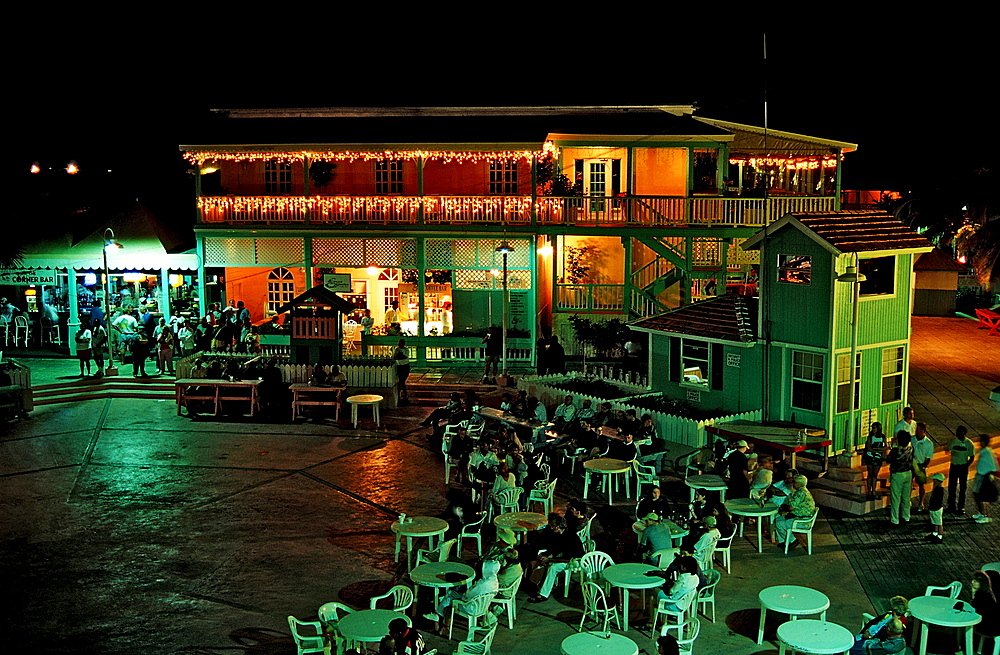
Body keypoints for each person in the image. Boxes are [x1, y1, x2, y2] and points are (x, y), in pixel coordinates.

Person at [524, 513, 585, 603]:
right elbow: (557, 548)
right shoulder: (561, 534)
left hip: (576, 560)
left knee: (553, 568)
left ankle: (544, 594)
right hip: (566, 557)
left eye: (552, 526)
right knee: (542, 559)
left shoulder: (570, 538)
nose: (551, 528)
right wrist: (547, 554)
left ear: (557, 527)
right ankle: (534, 582)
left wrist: (549, 559)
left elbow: (566, 559)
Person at [424, 559, 500, 628]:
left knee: (450, 594)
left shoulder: (482, 584)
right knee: (455, 593)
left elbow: (466, 596)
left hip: (471, 607)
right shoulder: (494, 581)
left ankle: (438, 614)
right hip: (483, 606)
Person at [774, 474, 815, 548]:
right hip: (802, 516)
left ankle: (792, 540)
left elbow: (790, 508)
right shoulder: (804, 491)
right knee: (778, 519)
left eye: (794, 482)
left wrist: (783, 507)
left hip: (802, 520)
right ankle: (783, 542)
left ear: (798, 484)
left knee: (779, 524)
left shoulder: (800, 493)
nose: (793, 484)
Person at [946, 426, 976, 514]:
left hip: (962, 467)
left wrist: (966, 466)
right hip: (954, 466)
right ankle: (951, 506)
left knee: (962, 488)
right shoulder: (953, 441)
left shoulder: (969, 443)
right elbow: (948, 449)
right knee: (952, 487)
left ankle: (961, 507)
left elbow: (972, 457)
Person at [886, 432, 914, 525]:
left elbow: (888, 459)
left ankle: (895, 519)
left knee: (895, 498)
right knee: (906, 497)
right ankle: (906, 516)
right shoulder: (910, 448)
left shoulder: (895, 451)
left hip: (898, 474)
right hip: (908, 473)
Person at [972, 433, 998, 524]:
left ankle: (984, 515)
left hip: (984, 477)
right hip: (981, 476)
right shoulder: (984, 451)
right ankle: (981, 513)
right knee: (977, 495)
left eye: (980, 441)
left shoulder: (987, 453)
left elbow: (994, 467)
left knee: (981, 497)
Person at [970, 570, 999, 647]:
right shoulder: (987, 593)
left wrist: (973, 593)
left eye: (976, 581)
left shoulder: (982, 596)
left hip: (988, 626)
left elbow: (974, 609)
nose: (972, 582)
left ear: (982, 583)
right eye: (973, 580)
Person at [911, 422, 934, 512]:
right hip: (911, 463)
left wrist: (923, 466)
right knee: (908, 482)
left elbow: (928, 458)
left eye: (920, 429)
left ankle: (921, 502)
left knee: (921, 484)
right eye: (917, 429)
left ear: (924, 431)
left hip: (920, 464)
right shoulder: (912, 439)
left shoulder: (928, 443)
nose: (917, 431)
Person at [925, 472, 946, 543]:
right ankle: (935, 533)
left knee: (939, 523)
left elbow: (937, 500)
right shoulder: (937, 489)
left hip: (936, 508)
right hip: (933, 507)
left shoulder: (939, 490)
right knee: (934, 522)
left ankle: (940, 536)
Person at [393, 339, 410, 405]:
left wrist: (398, 356)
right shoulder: (396, 349)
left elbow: (404, 357)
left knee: (402, 380)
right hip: (399, 366)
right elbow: (394, 357)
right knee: (400, 381)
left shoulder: (406, 350)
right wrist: (398, 354)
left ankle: (404, 394)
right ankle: (403, 394)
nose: (399, 345)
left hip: (405, 366)